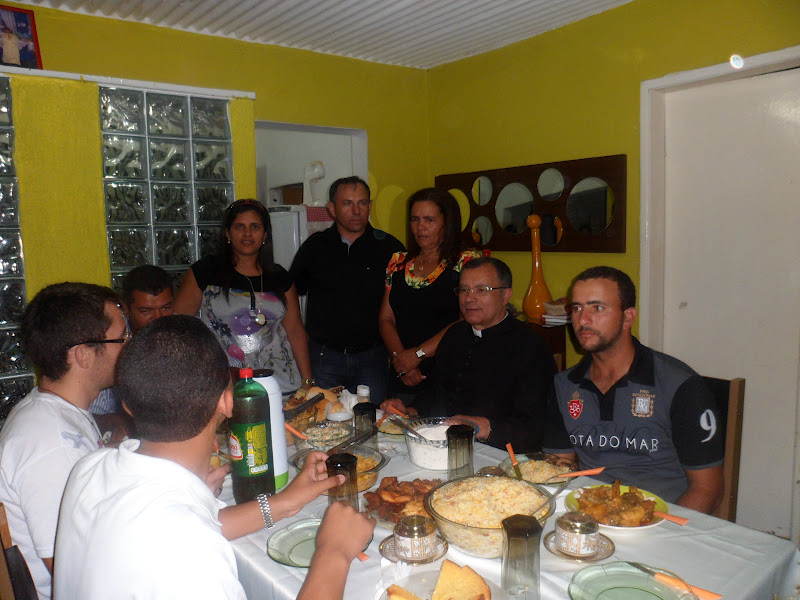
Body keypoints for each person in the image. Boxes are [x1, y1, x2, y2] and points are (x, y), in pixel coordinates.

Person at [54, 315, 375, 599]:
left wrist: (287, 501)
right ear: (227, 401)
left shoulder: (89, 468)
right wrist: (334, 552)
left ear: (127, 405)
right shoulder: (194, 552)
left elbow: (199, 526)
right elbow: (186, 537)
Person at [542, 266, 724, 513]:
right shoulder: (564, 386)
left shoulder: (680, 385)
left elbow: (708, 490)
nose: (582, 320)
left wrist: (661, 530)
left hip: (663, 518)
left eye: (597, 308)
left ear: (628, 318)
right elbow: (559, 470)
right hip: (587, 516)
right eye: (576, 308)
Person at [0, 282, 127, 599]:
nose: (130, 347)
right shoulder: (50, 443)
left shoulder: (55, 412)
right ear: (84, 355)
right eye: (122, 338)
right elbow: (75, 573)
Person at [382, 257, 556, 452]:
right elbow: (436, 393)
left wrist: (483, 427)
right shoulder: (454, 335)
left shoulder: (531, 347)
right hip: (442, 446)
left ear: (506, 295)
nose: (469, 298)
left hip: (500, 453)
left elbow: (536, 428)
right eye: (464, 290)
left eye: (481, 290)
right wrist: (409, 411)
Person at [175, 199, 313, 394]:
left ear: (265, 235)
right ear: (227, 233)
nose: (247, 234)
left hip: (282, 386)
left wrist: (307, 382)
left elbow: (295, 332)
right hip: (226, 387)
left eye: (255, 227)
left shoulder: (280, 277)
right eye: (239, 227)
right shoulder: (205, 272)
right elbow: (178, 327)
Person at [290, 176, 404, 403]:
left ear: (370, 206)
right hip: (324, 358)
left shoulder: (390, 248)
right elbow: (291, 292)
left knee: (370, 417)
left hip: (372, 358)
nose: (356, 211)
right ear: (332, 209)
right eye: (347, 203)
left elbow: (404, 306)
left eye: (362, 203)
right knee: (323, 419)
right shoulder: (315, 247)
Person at [379, 188, 479, 404]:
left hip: (448, 375)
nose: (420, 227)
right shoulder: (398, 262)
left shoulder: (466, 263)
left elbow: (466, 320)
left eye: (429, 220)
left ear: (447, 223)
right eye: (415, 219)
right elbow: (386, 318)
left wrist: (417, 355)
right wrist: (402, 362)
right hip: (403, 375)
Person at [90, 264, 175, 420]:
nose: (158, 318)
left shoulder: (185, 339)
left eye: (166, 308)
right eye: (146, 311)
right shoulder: (112, 344)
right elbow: (90, 413)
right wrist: (115, 421)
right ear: (126, 309)